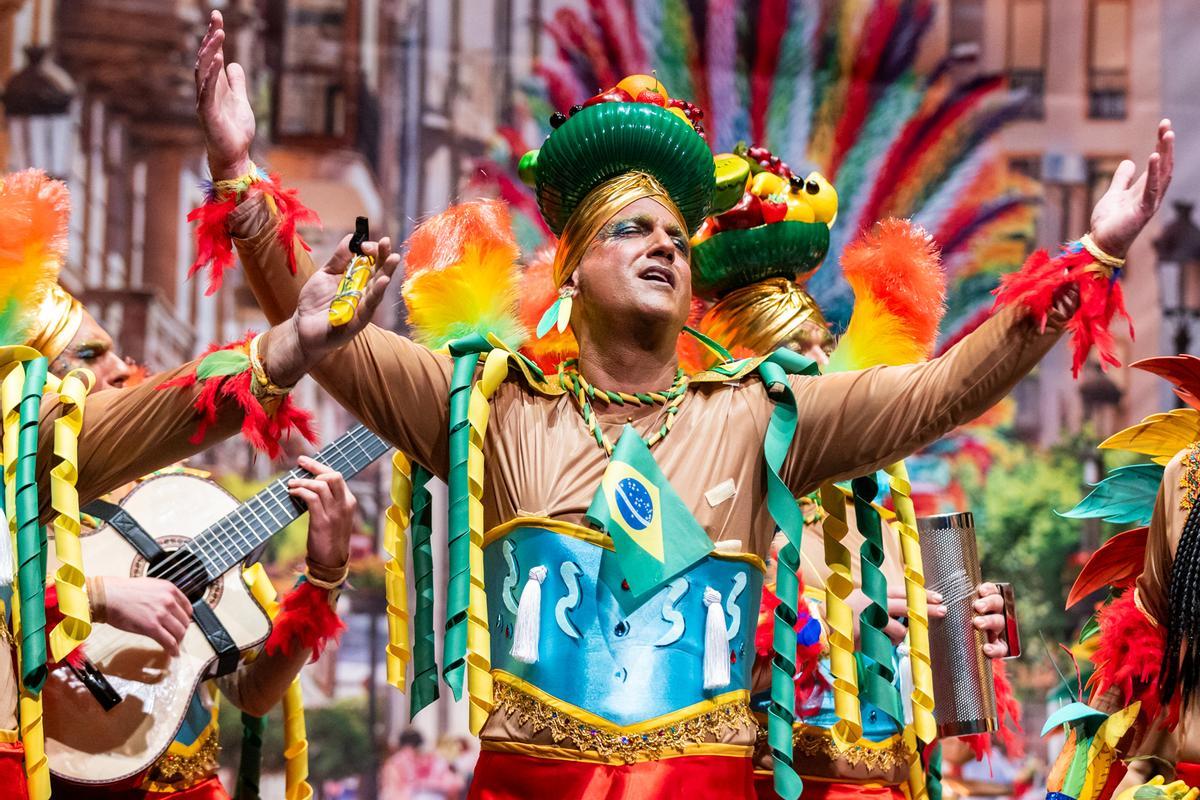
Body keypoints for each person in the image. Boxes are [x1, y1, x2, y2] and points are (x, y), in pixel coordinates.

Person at [192, 9, 1173, 799]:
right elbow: (320, 332)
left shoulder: (764, 417)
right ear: (573, 265)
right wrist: (240, 178)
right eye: (631, 227)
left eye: (676, 230)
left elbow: (943, 390)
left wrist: (1090, 258)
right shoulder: (487, 404)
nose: (663, 242)